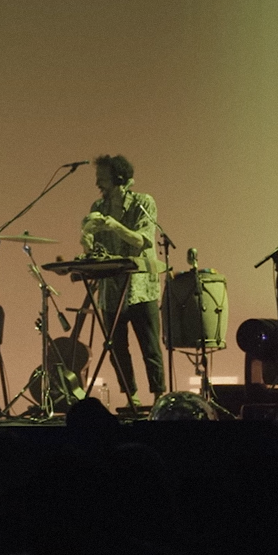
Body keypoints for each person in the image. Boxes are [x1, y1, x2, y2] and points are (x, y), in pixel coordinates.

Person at [81, 154, 163, 409]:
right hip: (111, 290)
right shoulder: (99, 207)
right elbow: (94, 247)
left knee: (150, 347)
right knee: (116, 348)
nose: (98, 184)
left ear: (118, 179)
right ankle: (131, 397)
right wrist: (87, 240)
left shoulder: (143, 203)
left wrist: (114, 226)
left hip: (141, 288)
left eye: (102, 178)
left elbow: (141, 240)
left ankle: (159, 397)